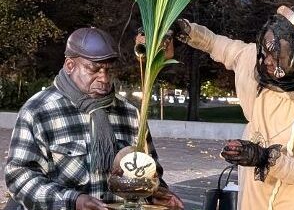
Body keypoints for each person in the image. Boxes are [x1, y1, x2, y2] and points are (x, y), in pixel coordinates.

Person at [175, 5, 294, 210]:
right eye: (266, 50)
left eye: (277, 55)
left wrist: (265, 158)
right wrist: (185, 30)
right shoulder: (256, 63)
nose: (267, 61)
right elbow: (217, 44)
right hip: (255, 197)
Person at [5, 27, 183, 210]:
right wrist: (73, 201)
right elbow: (19, 176)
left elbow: (150, 170)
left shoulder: (130, 113)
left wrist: (158, 192)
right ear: (70, 66)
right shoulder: (38, 111)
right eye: (94, 69)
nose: (104, 78)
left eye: (109, 70)